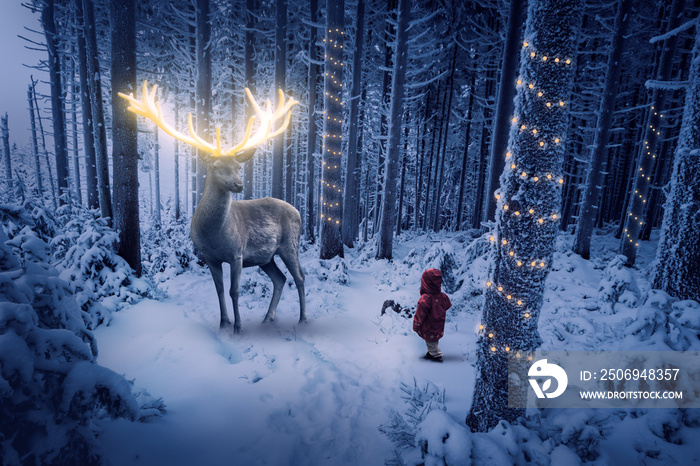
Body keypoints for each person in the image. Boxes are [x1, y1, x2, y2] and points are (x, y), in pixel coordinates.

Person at [412, 268, 451, 362]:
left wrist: (416, 324)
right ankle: (430, 353)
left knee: (431, 341)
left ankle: (437, 356)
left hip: (428, 325)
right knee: (433, 340)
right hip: (438, 325)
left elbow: (420, 314)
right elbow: (447, 305)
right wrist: (438, 311)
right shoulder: (443, 296)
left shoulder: (425, 299)